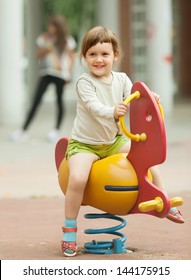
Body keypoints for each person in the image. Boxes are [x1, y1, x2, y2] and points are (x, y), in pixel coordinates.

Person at [61, 26, 184, 257]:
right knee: (77, 179)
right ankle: (69, 229)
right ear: (84, 57)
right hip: (85, 144)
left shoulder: (122, 79)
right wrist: (113, 111)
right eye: (92, 54)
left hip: (114, 141)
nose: (99, 60)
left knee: (148, 159)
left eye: (104, 54)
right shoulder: (84, 83)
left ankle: (163, 199)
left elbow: (136, 98)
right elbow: (94, 107)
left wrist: (151, 98)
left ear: (115, 56)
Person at [10, 15, 76, 142]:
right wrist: (48, 47)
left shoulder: (68, 40)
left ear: (57, 27)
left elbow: (71, 59)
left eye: (52, 25)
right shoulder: (44, 39)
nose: (49, 28)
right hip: (46, 72)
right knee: (36, 101)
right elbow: (37, 55)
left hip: (60, 74)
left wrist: (69, 74)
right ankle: (23, 130)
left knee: (59, 102)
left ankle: (55, 130)